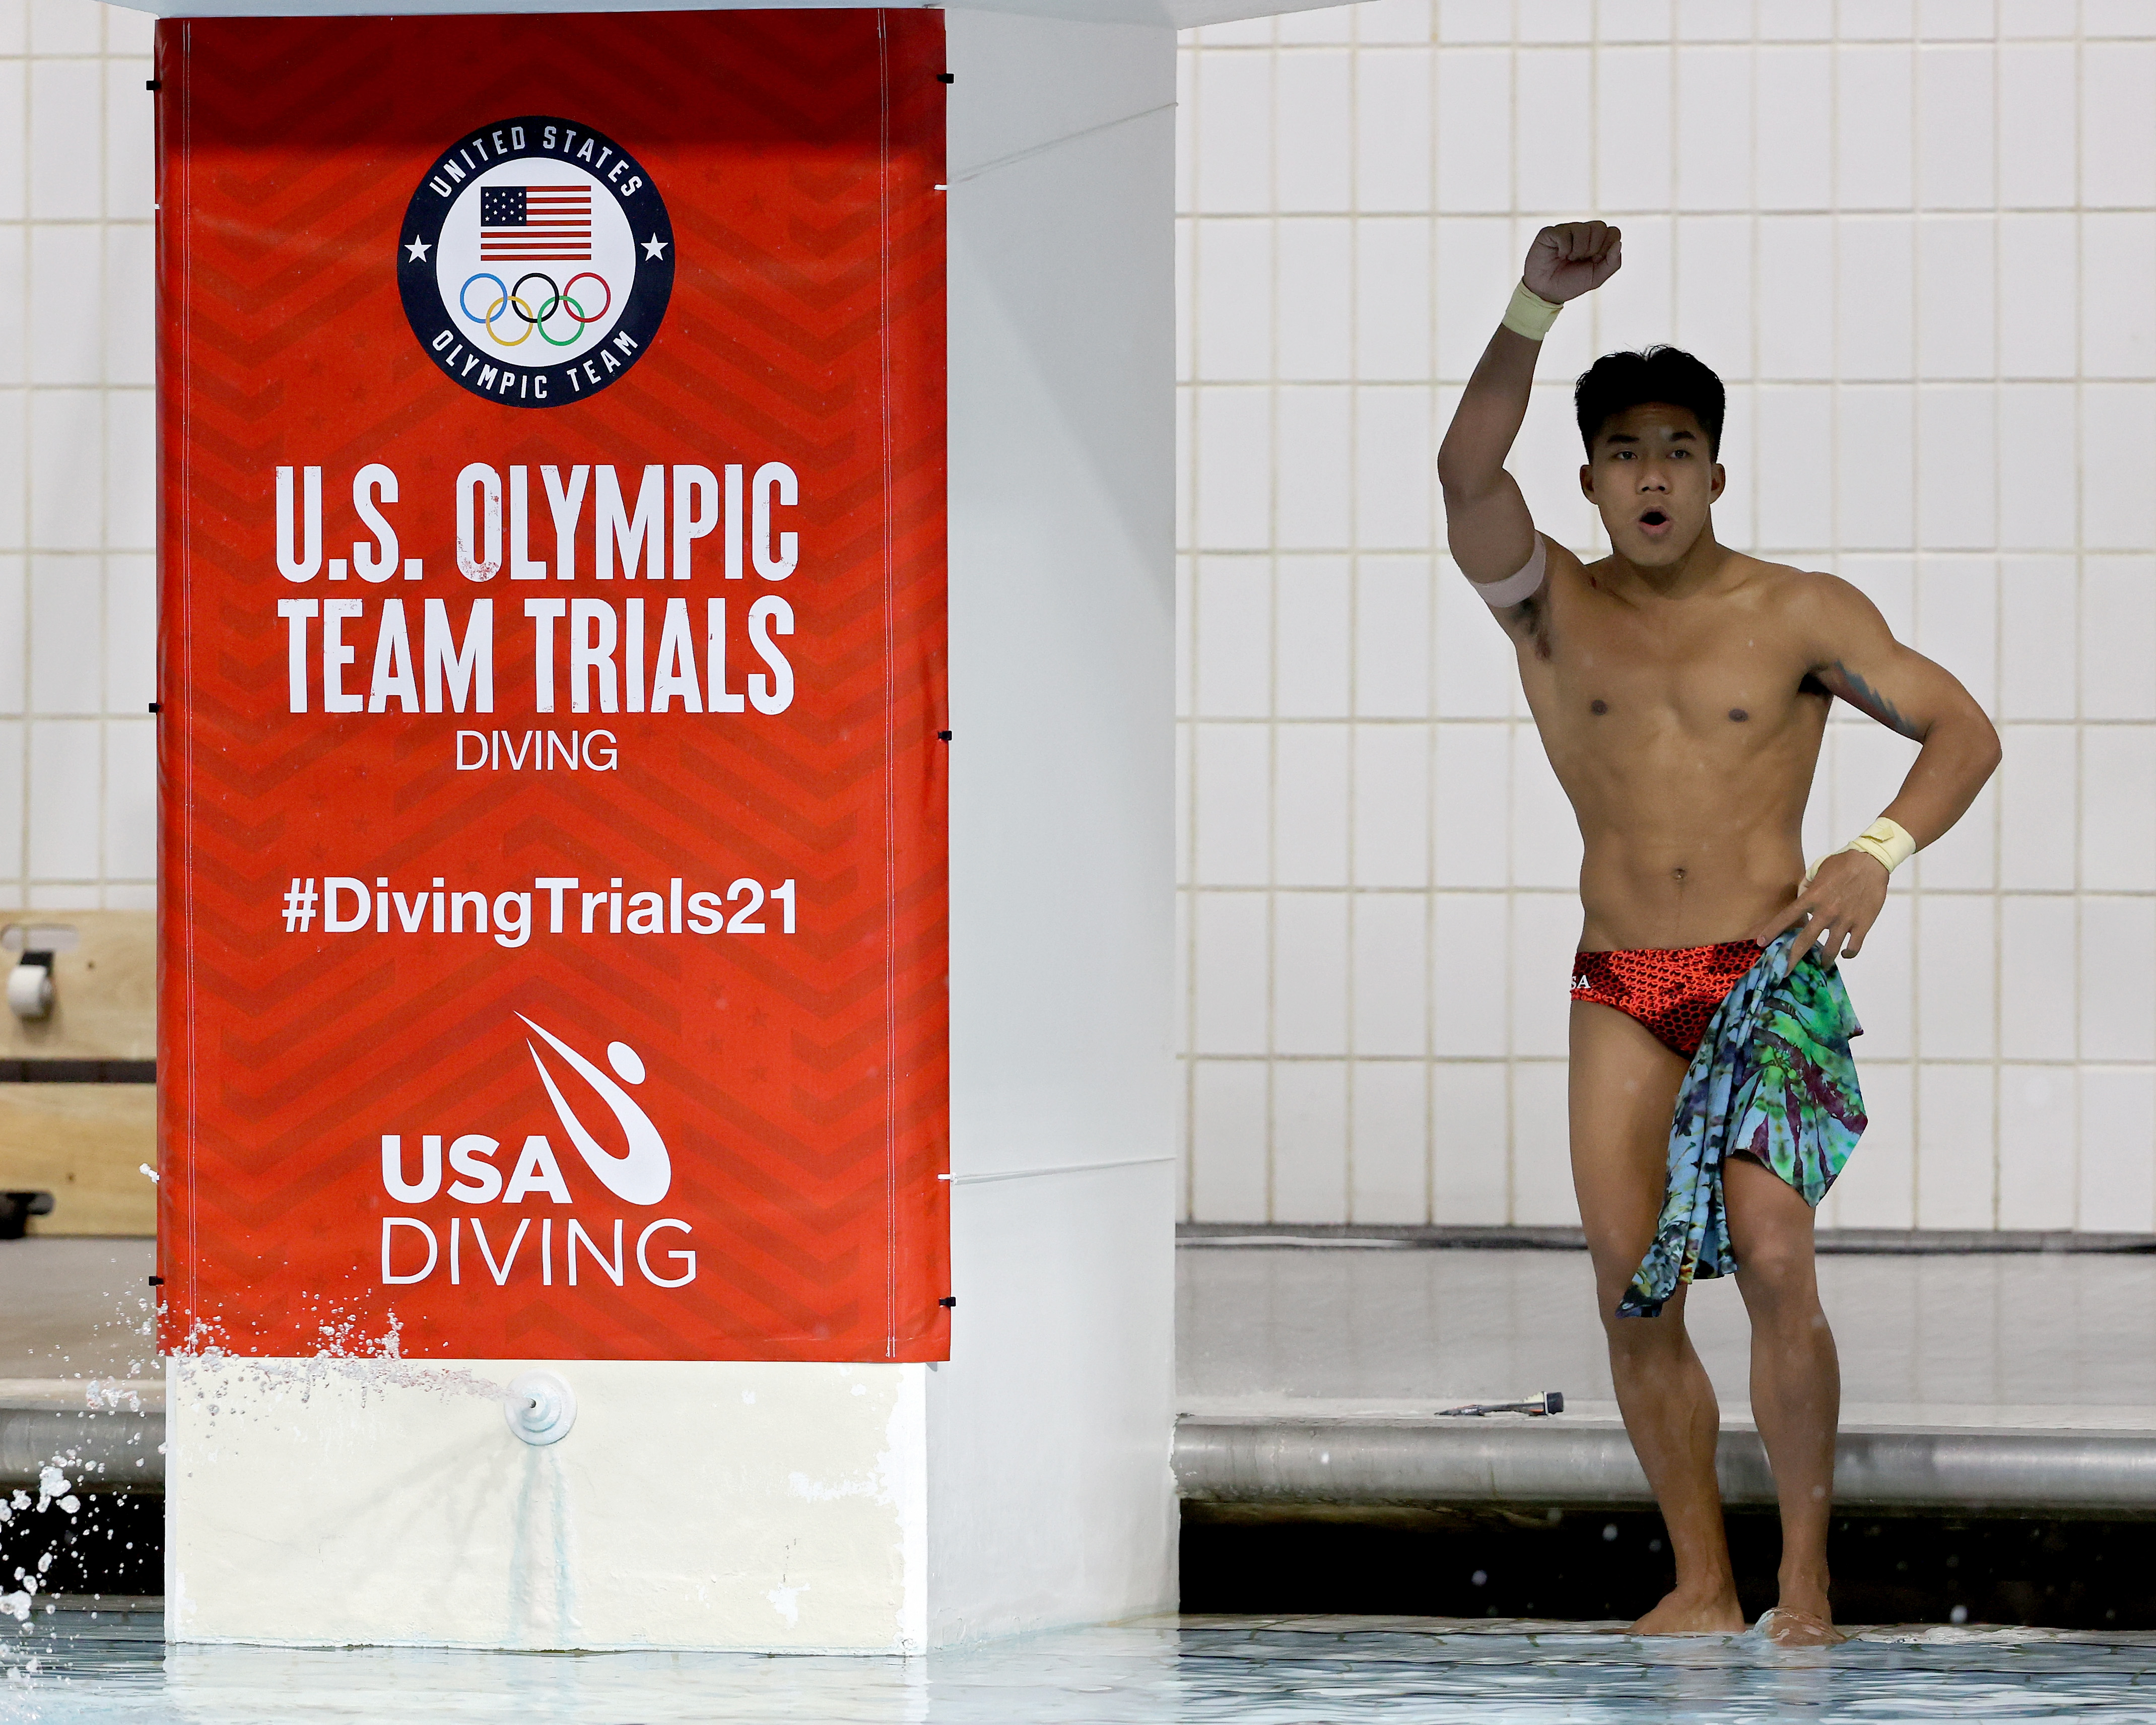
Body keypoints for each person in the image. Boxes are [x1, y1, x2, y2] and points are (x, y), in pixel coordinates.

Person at [1436, 222, 2000, 1645]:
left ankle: (1804, 1581)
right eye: (1623, 451)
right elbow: (1462, 473)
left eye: (1677, 449)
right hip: (1622, 984)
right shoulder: (1550, 606)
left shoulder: (1799, 612)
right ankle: (1704, 1579)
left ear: (1717, 472)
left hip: (1766, 977)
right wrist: (1529, 306)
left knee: (1777, 1258)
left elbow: (1962, 730)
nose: (1651, 475)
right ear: (1589, 480)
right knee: (1633, 1294)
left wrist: (1876, 850)